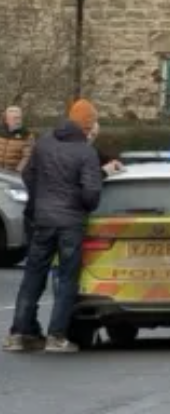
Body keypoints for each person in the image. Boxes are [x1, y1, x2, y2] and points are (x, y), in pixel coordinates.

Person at [3, 99, 103, 353]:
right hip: (71, 223)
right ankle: (57, 336)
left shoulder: (45, 142)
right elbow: (91, 193)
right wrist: (83, 206)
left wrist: (37, 206)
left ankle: (18, 333)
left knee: (33, 275)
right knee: (67, 279)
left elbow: (28, 176)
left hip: (43, 220)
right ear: (88, 124)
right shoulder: (85, 152)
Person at [0, 106, 34, 172]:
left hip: (12, 172)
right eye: (15, 118)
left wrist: (17, 171)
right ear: (7, 119)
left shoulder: (26, 134)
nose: (18, 121)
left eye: (19, 118)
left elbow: (27, 156)